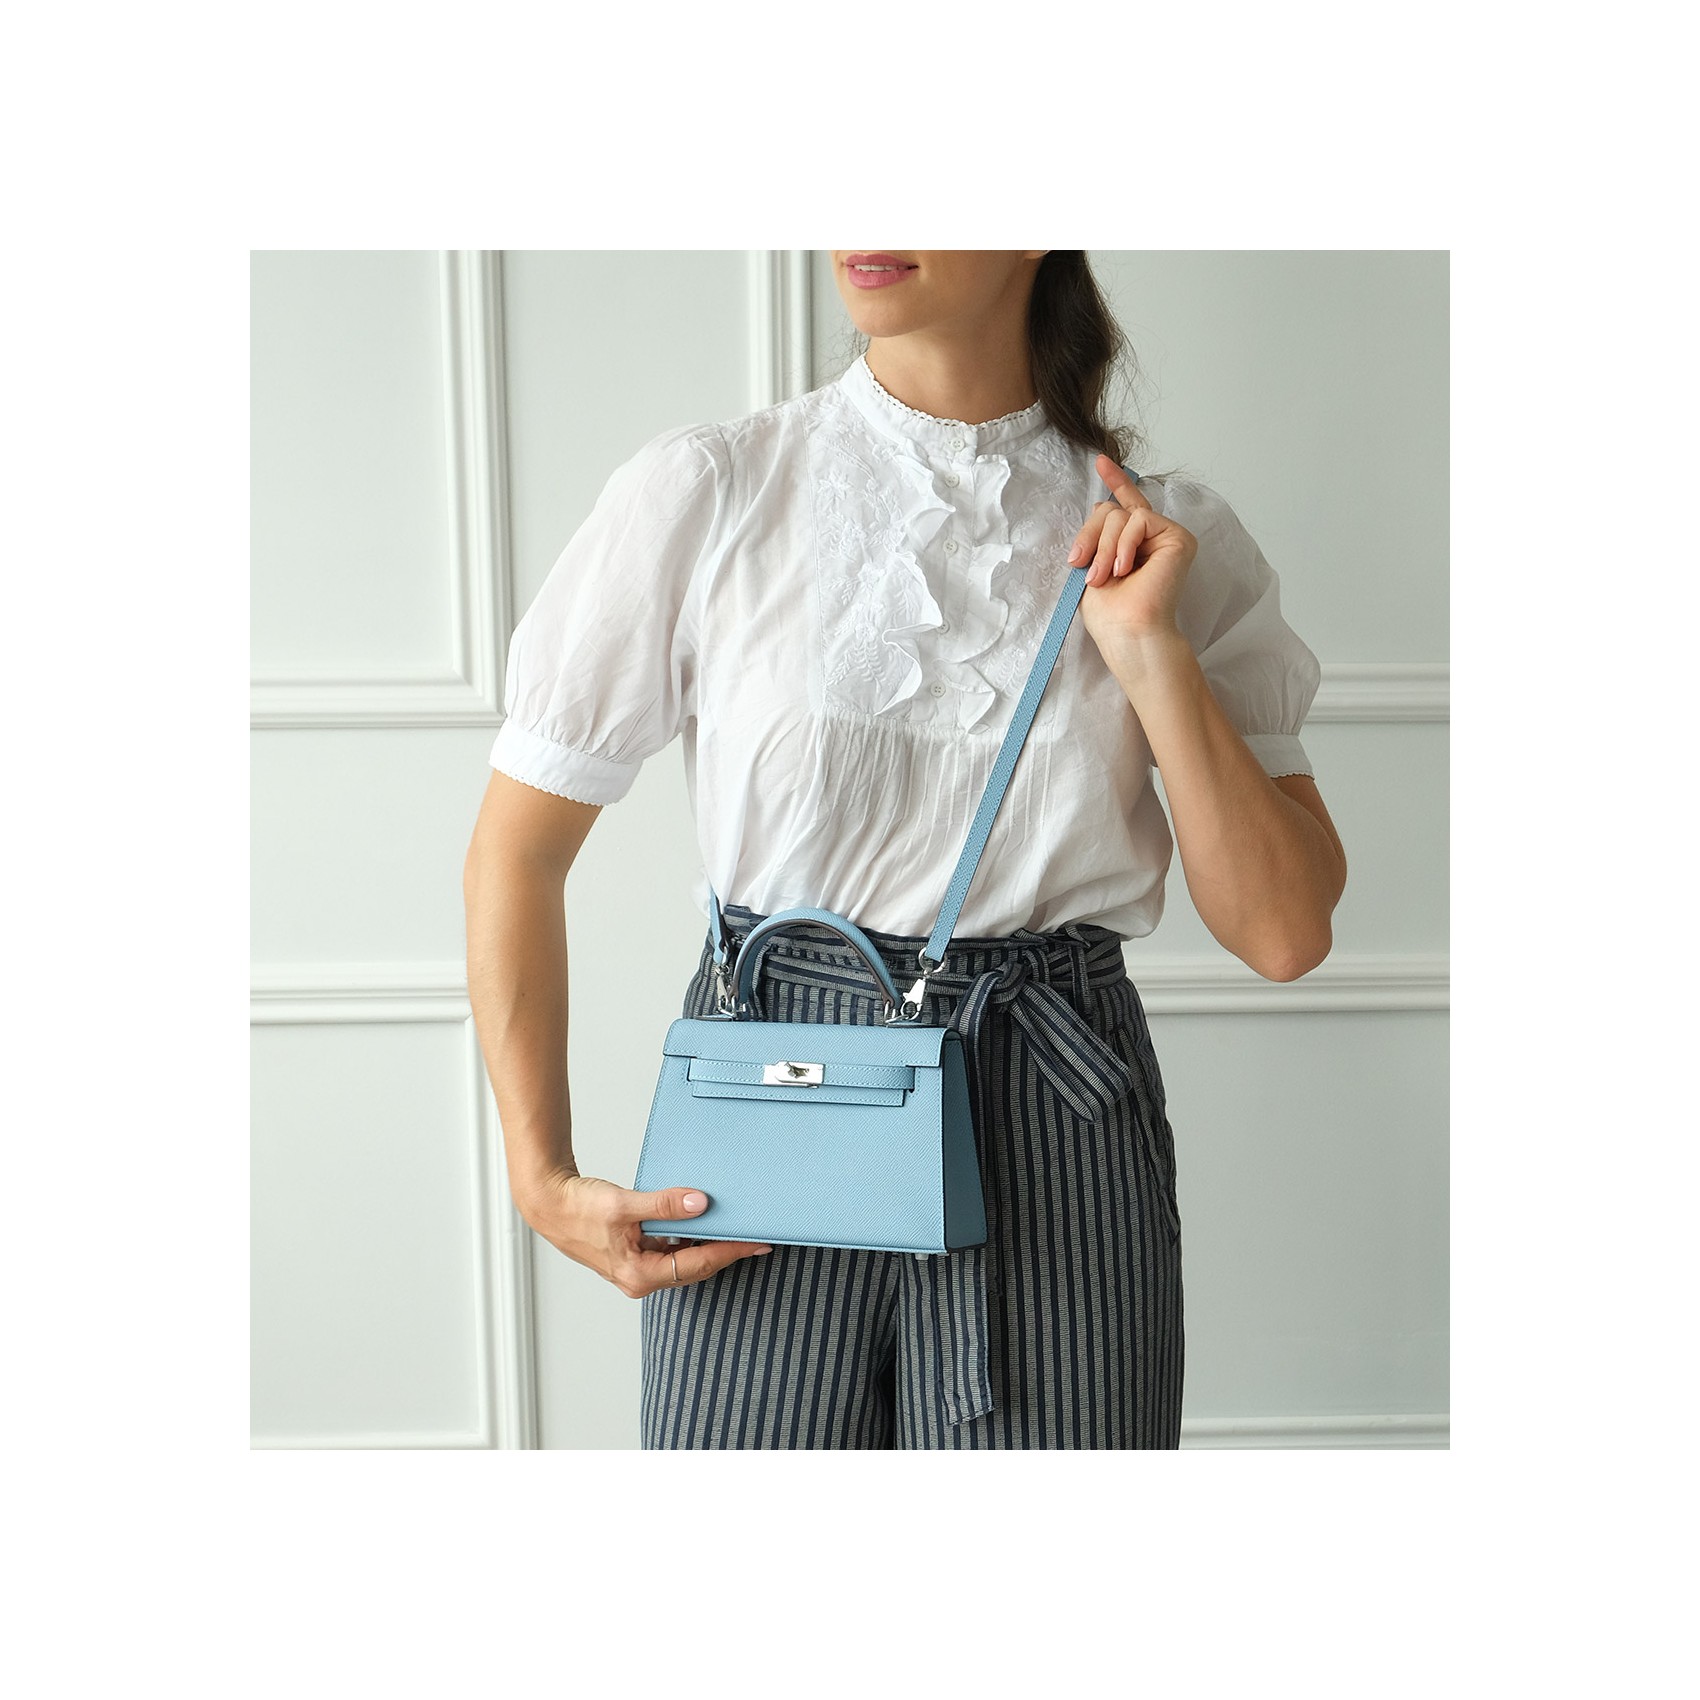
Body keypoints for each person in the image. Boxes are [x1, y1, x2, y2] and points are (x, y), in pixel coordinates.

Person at [463, 249, 1347, 1450]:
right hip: (765, 1117)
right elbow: (517, 849)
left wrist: (1148, 652)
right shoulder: (713, 490)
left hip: (1054, 1112)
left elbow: (1284, 933)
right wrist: (540, 1173)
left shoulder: (1170, 540)